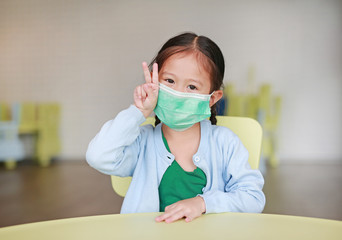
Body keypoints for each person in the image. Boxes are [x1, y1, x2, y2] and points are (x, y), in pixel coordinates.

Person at [86, 32, 265, 223]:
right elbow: (98, 156)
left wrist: (203, 203)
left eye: (192, 87)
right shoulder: (142, 142)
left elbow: (253, 198)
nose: (178, 93)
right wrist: (138, 112)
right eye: (169, 81)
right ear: (153, 82)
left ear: (212, 98)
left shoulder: (224, 142)